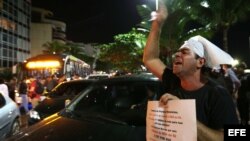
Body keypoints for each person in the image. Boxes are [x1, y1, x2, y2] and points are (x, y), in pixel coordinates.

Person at [143, 0, 238, 141]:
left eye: (185, 52)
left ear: (200, 62)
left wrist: (183, 114)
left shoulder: (218, 95)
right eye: (177, 52)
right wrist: (157, 24)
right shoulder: (173, 81)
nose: (177, 54)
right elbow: (150, 59)